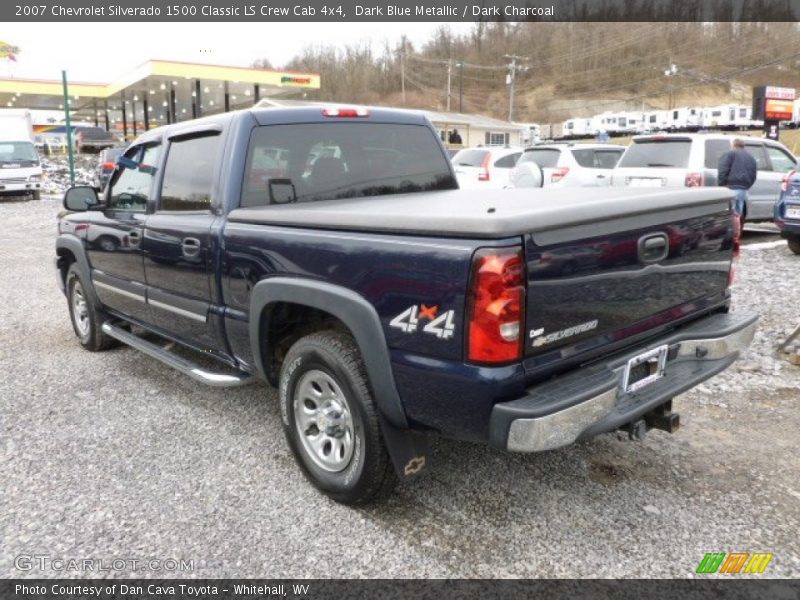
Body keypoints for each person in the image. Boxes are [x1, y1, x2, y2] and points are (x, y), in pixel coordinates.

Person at [717, 138, 757, 220]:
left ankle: (731, 230)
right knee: (738, 213)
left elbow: (723, 169)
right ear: (743, 146)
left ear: (733, 145)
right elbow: (753, 174)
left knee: (729, 213)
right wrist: (747, 185)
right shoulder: (751, 157)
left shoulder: (729, 154)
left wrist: (721, 184)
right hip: (743, 188)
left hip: (730, 187)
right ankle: (736, 229)